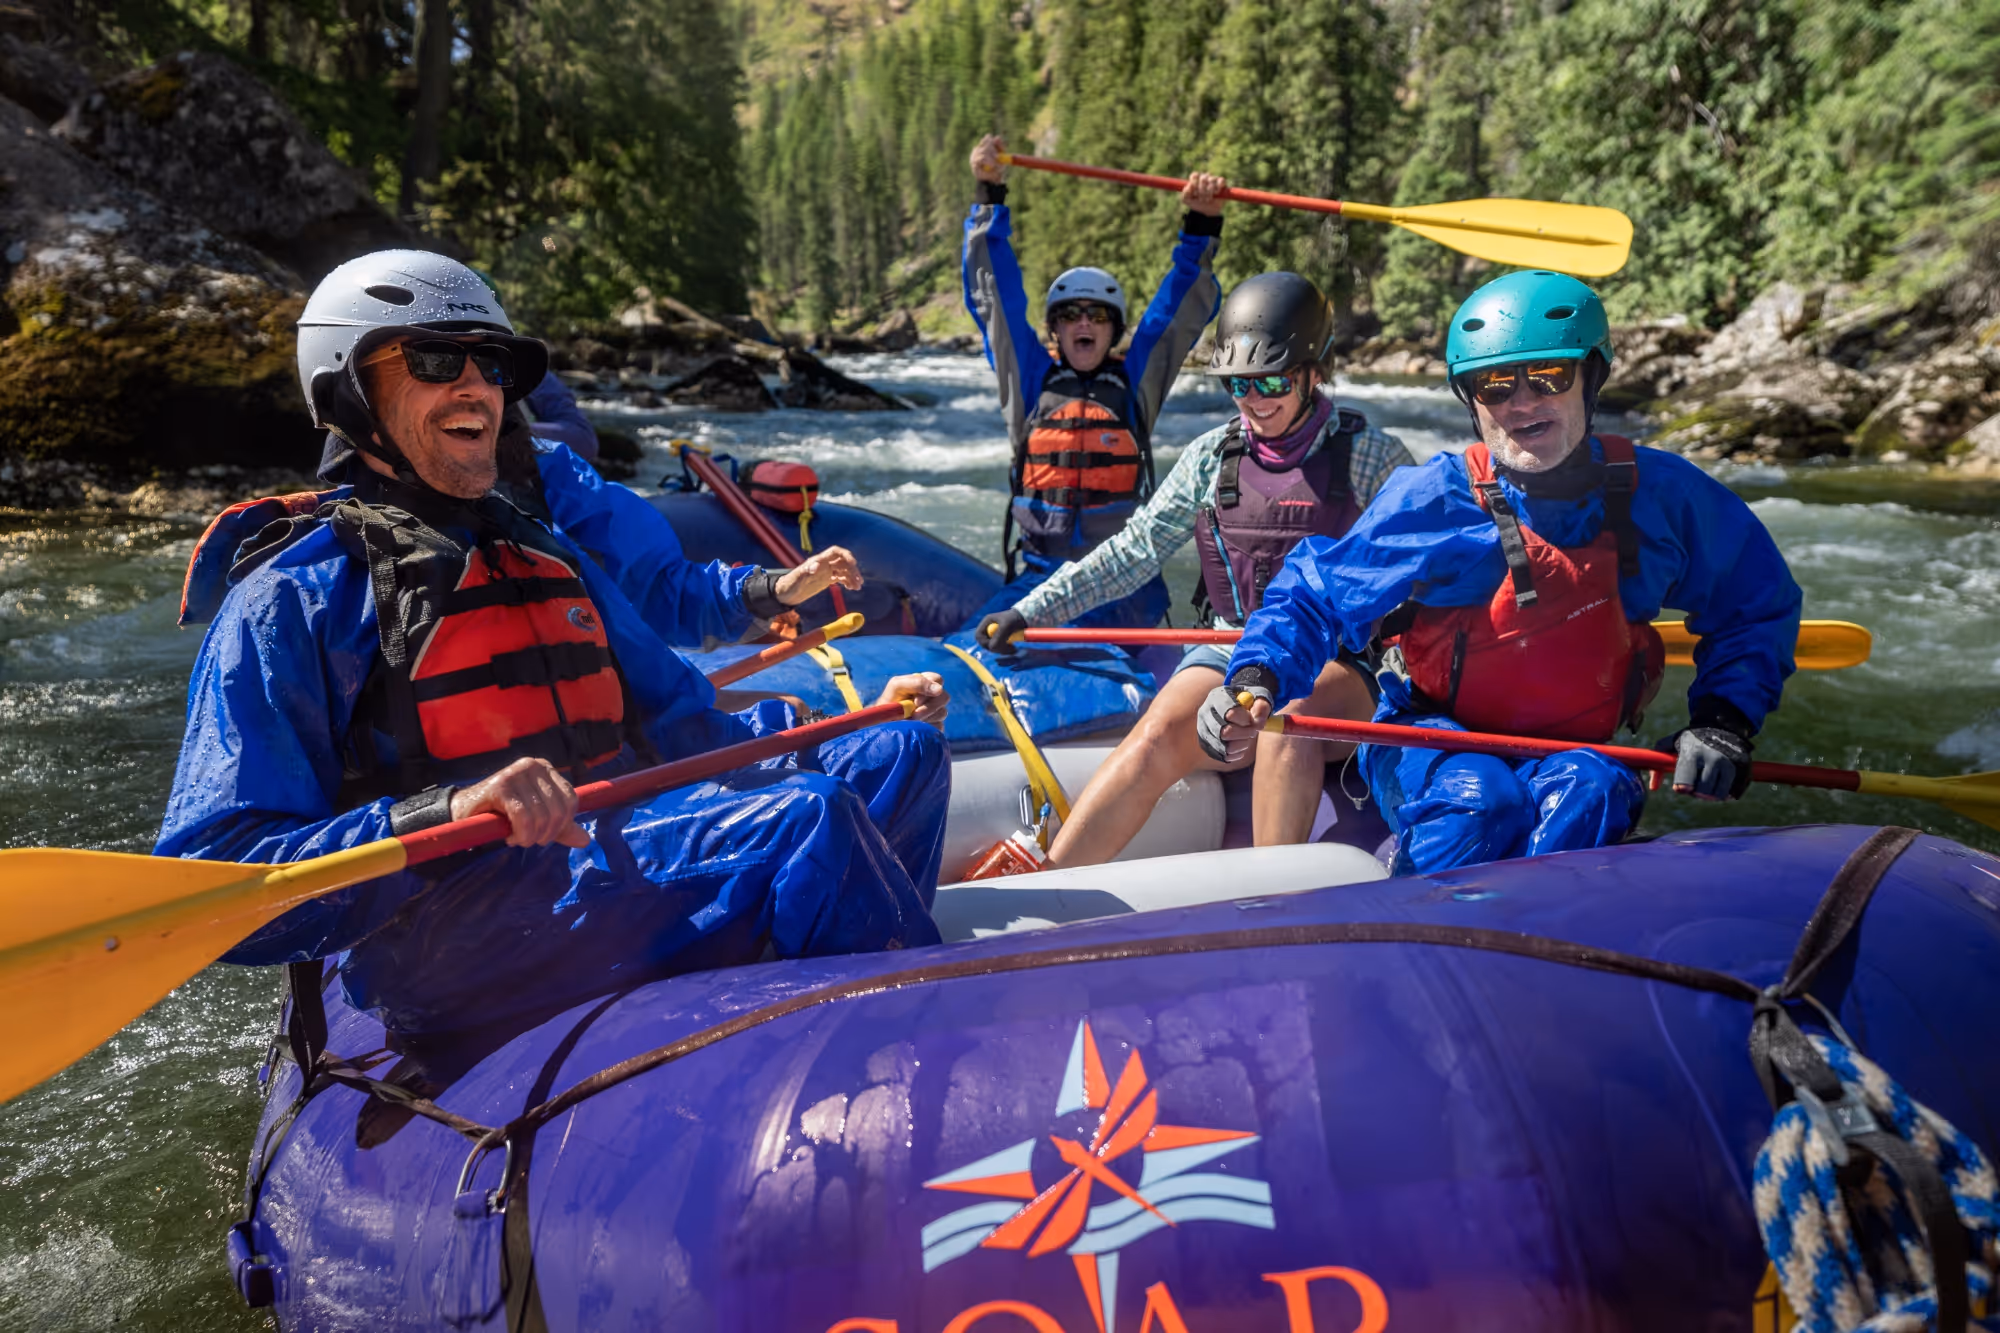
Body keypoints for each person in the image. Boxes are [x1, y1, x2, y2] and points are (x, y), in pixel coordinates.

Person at [159, 250, 951, 1036]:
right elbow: (217, 869)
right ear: (347, 390)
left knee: (897, 752)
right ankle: (912, 1046)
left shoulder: (542, 551)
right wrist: (447, 810)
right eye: (436, 359)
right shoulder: (291, 600)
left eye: (493, 364)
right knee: (804, 818)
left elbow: (685, 729)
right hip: (448, 930)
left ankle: (808, 1006)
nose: (476, 385)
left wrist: (849, 724)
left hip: (601, 857)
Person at [1201, 270, 1803, 875]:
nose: (1520, 402)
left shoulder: (1664, 498)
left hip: (1570, 746)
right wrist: (1255, 674)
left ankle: (1542, 943)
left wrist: (1723, 720)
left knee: (1596, 789)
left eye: (1547, 377)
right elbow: (1315, 593)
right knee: (1480, 801)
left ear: (1591, 378)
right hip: (1429, 731)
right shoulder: (1436, 497)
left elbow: (1753, 603)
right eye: (1493, 385)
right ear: (1471, 400)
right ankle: (1418, 934)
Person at [976, 273, 1415, 866]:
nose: (1254, 399)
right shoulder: (1212, 455)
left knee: (1286, 718)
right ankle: (1049, 884)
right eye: (1238, 383)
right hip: (1228, 649)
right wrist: (1030, 610)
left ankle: (1270, 904)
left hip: (1338, 663)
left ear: (1316, 371)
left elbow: (1420, 574)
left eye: (1272, 380)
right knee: (1156, 735)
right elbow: (1133, 552)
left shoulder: (1372, 456)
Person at [961, 134, 1226, 631]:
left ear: (1114, 329)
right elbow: (994, 296)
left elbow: (1178, 311)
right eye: (1071, 315)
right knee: (980, 642)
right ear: (1054, 329)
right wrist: (988, 196)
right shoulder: (1029, 379)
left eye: (1098, 316)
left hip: (1120, 581)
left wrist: (1202, 223)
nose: (1085, 324)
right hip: (1039, 577)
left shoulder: (1137, 380)